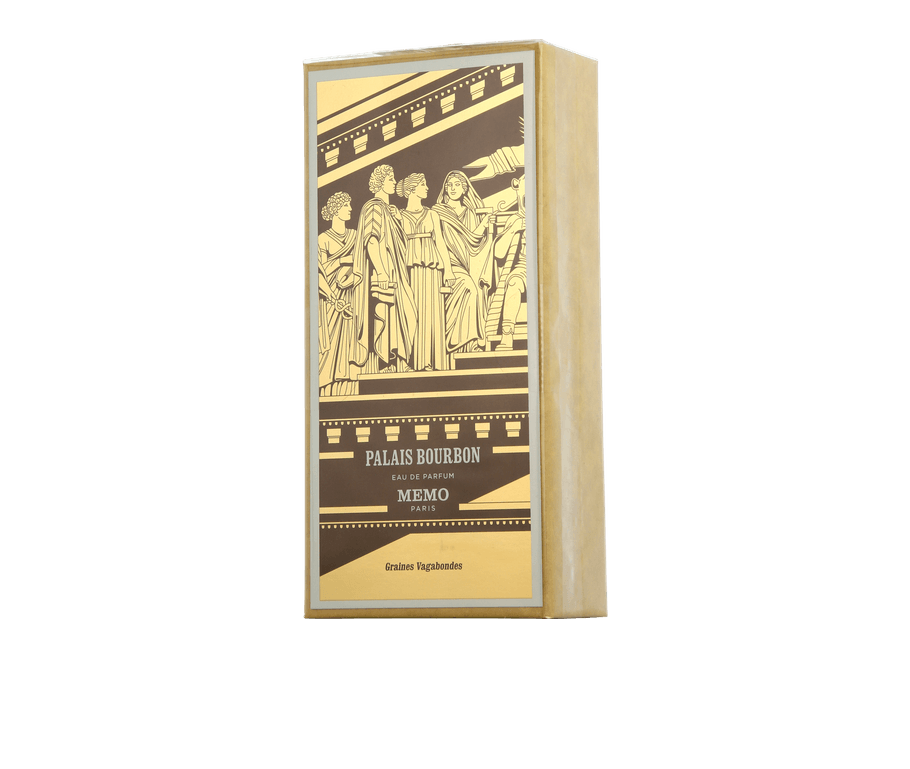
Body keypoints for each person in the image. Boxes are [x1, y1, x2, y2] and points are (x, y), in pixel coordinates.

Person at [348, 164, 418, 375]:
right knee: (386, 314)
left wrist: (398, 219)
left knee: (406, 313)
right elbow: (371, 240)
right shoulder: (374, 207)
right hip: (384, 271)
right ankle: (386, 362)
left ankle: (401, 361)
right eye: (390, 179)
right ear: (380, 183)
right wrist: (381, 271)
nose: (394, 182)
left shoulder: (390, 210)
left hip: (397, 271)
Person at [433, 171, 493, 363]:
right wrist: (446, 268)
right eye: (449, 184)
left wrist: (484, 224)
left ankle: (467, 342)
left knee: (476, 289)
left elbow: (473, 242)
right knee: (471, 289)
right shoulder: (437, 212)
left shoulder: (470, 213)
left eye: (457, 184)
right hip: (445, 264)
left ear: (465, 189)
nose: (452, 188)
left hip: (466, 264)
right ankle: (464, 342)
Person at [397, 173, 453, 371]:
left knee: (432, 313)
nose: (427, 188)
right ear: (411, 189)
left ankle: (433, 361)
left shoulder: (432, 215)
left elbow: (441, 243)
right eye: (423, 184)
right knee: (412, 313)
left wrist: (448, 271)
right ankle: (413, 361)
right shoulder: (399, 216)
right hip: (408, 270)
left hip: (431, 269)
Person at [316, 192, 360, 395]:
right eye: (345, 206)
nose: (350, 209)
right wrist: (343, 260)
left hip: (351, 291)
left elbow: (362, 262)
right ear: (335, 210)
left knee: (350, 333)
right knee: (330, 336)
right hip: (330, 296)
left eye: (349, 205)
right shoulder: (323, 239)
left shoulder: (355, 235)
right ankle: (324, 378)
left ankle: (346, 375)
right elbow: (320, 269)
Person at [485, 175, 527, 351]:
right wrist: (513, 230)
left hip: (549, 270)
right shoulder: (515, 219)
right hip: (524, 268)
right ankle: (507, 335)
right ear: (517, 188)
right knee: (513, 282)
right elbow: (498, 253)